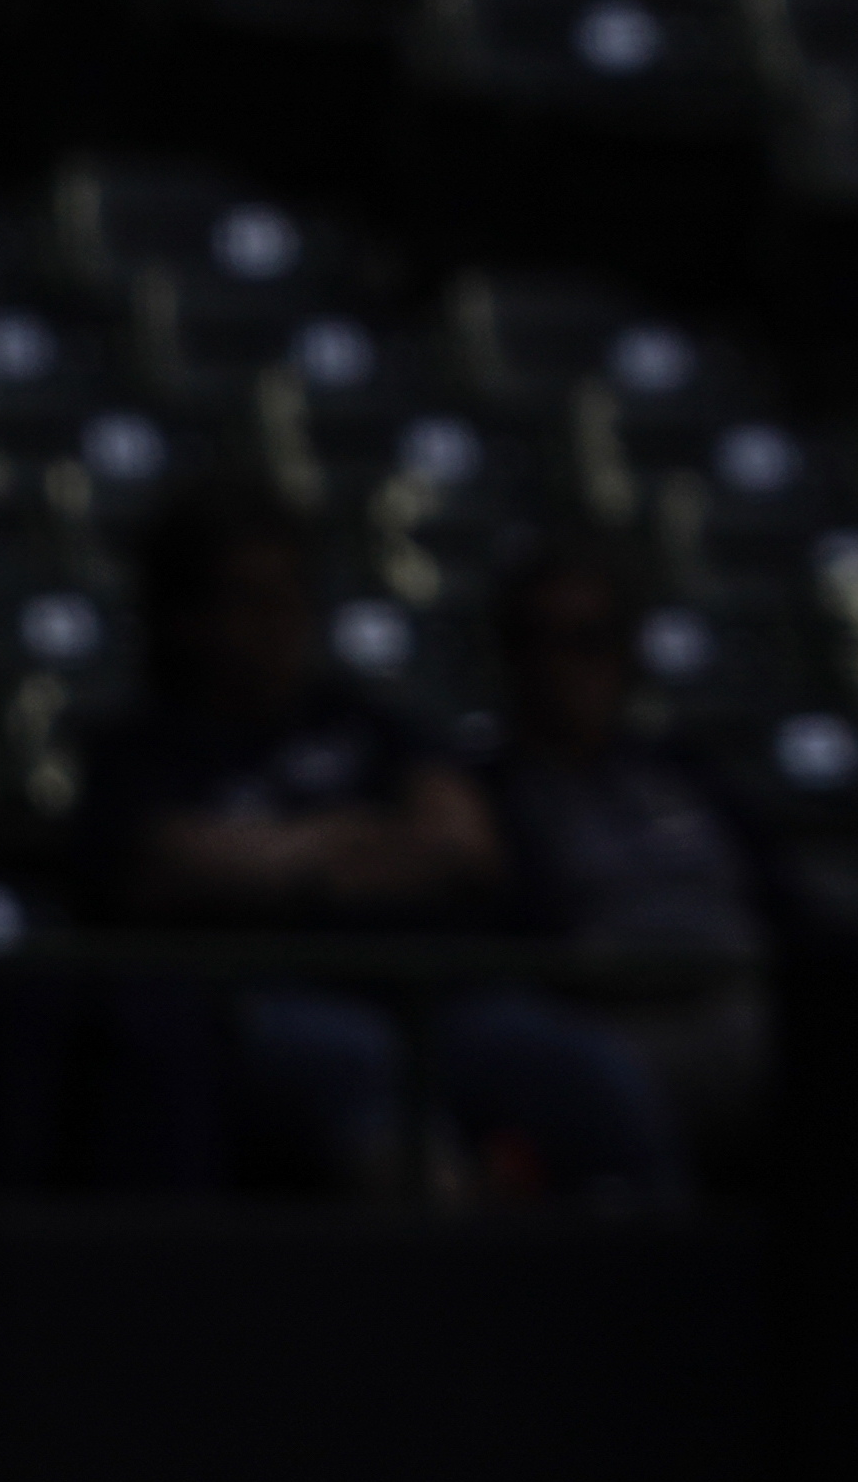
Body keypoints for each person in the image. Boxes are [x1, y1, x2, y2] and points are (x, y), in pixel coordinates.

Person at [72, 488, 658, 1201]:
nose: (275, 622)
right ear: (186, 616)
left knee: (582, 1066)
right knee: (360, 1066)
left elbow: (465, 845)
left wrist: (286, 859)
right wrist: (366, 843)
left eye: (289, 596)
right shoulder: (141, 751)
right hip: (264, 1006)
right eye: (247, 598)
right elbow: (169, 864)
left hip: (442, 1002)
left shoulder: (362, 723)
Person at [473, 540, 768, 1191]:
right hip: (602, 1023)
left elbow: (784, 900)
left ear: (628, 655)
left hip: (740, 999)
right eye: (537, 640)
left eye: (587, 640)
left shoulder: (688, 773)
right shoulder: (485, 791)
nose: (561, 665)